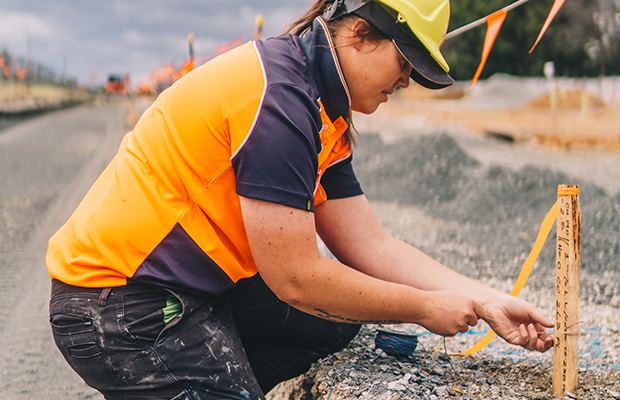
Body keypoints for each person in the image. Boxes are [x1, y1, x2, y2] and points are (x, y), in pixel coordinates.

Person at [47, 0, 554, 399]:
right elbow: (295, 277)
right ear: (359, 33)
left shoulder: (320, 109)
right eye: (406, 62)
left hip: (193, 288)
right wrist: (423, 307)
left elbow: (372, 246)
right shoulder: (277, 98)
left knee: (335, 325)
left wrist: (483, 300)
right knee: (322, 303)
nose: (408, 81)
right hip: (117, 305)